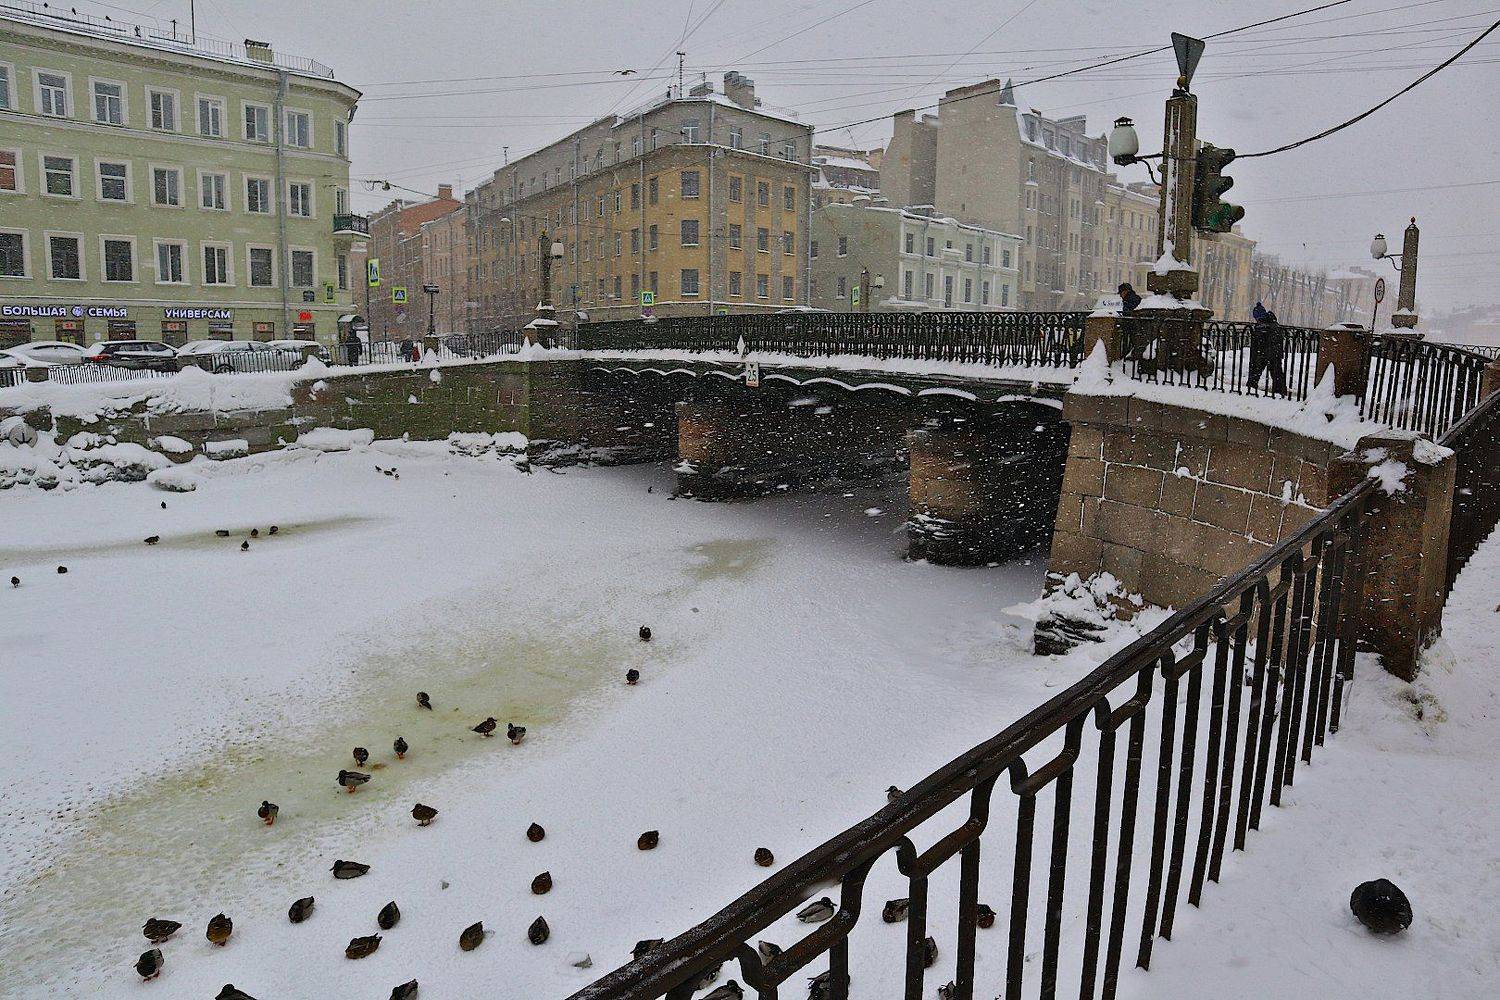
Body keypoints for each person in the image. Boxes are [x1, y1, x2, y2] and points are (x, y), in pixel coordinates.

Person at [1248, 302, 1289, 396]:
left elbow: (1259, 341)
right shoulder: (1273, 323)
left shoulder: (1262, 326)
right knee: (1277, 374)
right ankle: (1280, 392)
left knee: (1255, 371)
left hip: (1264, 352)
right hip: (1275, 352)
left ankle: (1250, 388)